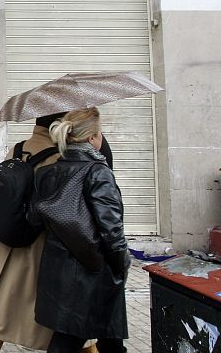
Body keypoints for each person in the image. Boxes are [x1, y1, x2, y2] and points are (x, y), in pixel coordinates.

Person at [0, 112, 94, 353]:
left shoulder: (17, 150)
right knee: (72, 325)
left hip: (8, 246)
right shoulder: (60, 159)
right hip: (40, 251)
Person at [33, 108, 129, 353]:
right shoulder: (98, 172)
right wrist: (122, 263)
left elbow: (33, 217)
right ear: (92, 139)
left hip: (58, 269)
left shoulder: (49, 172)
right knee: (69, 341)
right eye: (100, 133)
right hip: (93, 274)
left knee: (106, 338)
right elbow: (111, 229)